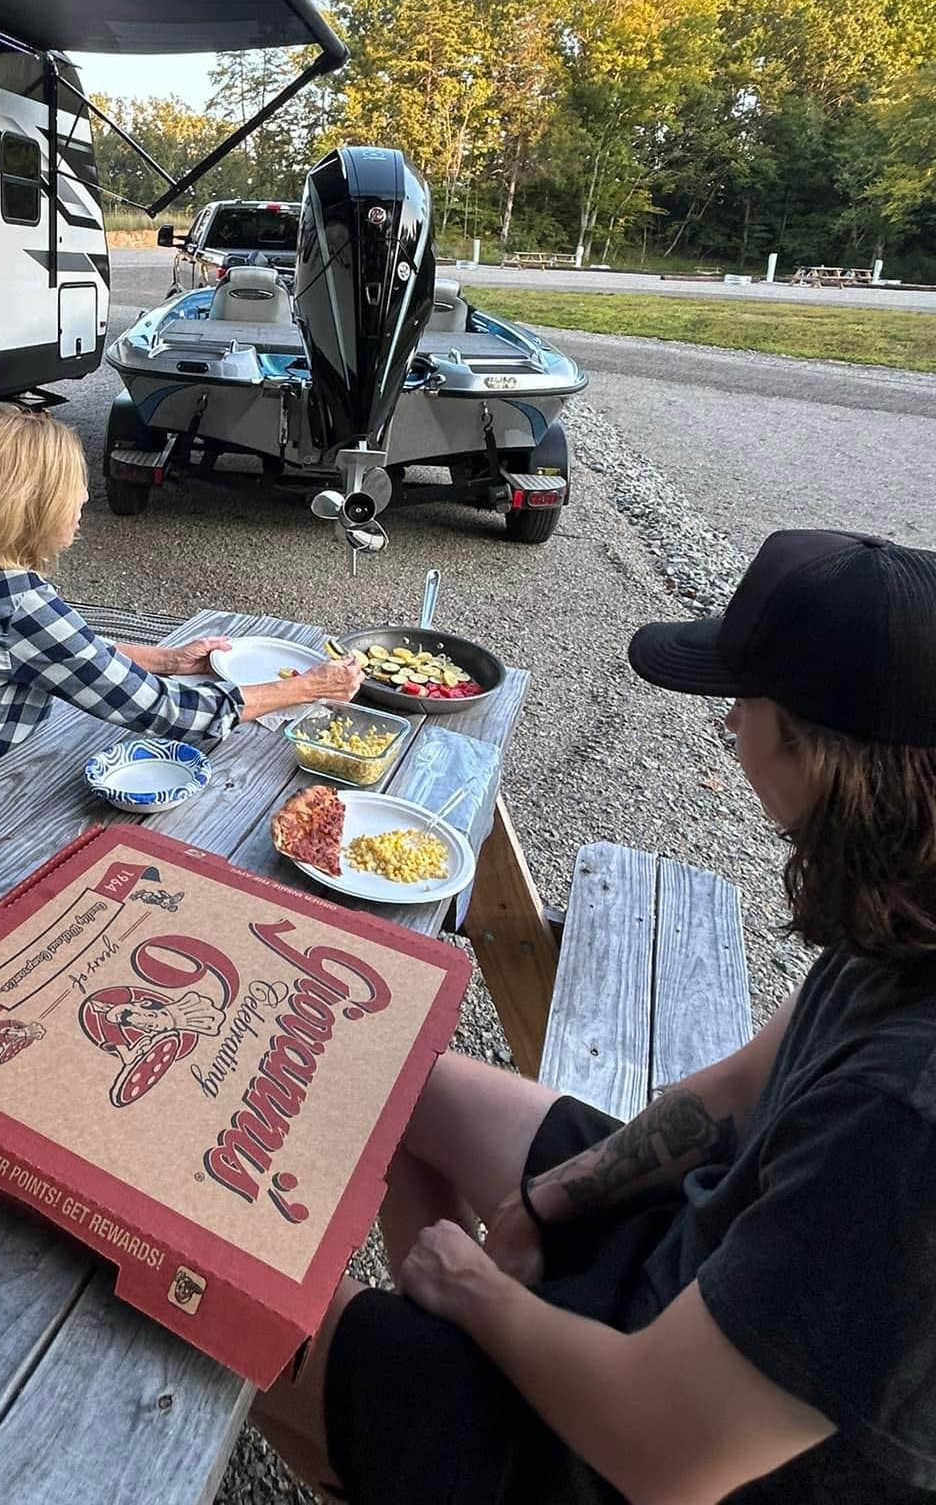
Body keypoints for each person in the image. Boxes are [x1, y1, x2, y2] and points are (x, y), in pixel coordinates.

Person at [254, 528, 936, 1503]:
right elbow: (738, 1088)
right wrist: (543, 1203)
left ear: (818, 752)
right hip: (696, 1265)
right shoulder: (904, 892)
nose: (728, 723)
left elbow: (667, 1455)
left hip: (655, 1444)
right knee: (394, 1069)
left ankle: (401, 1421)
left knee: (229, 1290)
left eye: (742, 704)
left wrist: (476, 1292)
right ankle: (401, 1405)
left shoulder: (907, 1120)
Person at [0, 404, 361, 867]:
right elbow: (168, 717)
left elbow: (55, 659)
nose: (85, 500)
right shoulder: (16, 602)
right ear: (26, 504)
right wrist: (308, 688)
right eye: (73, 488)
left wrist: (166, 659)